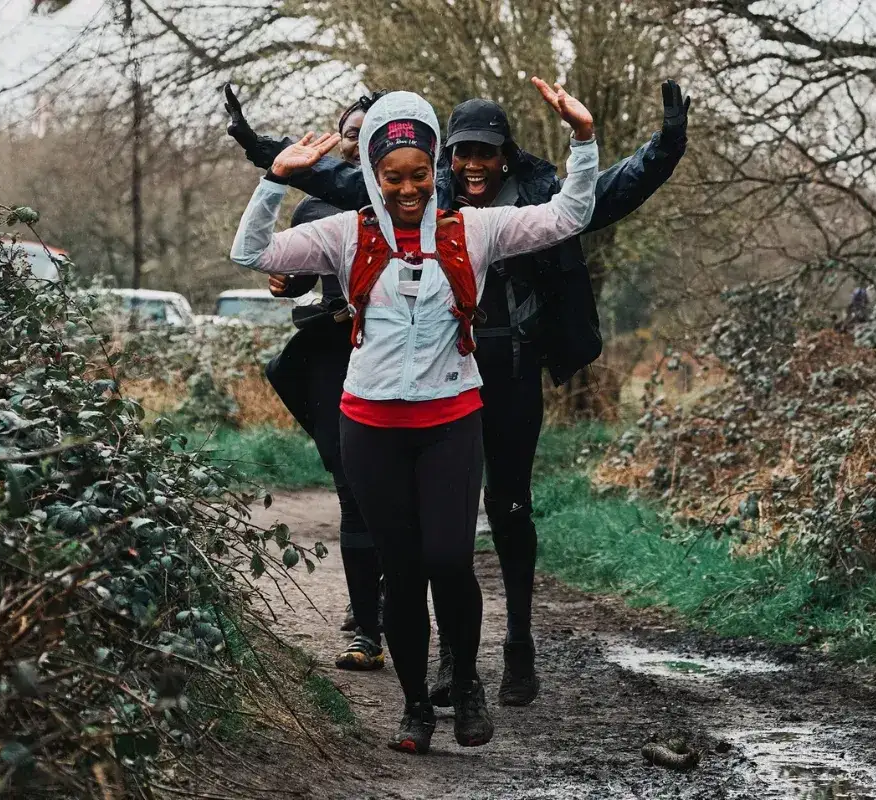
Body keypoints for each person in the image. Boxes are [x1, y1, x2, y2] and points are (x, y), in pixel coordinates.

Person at [224, 80, 690, 708]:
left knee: (502, 513)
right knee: (421, 543)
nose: (472, 164)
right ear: (445, 157)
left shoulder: (512, 209)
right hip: (413, 392)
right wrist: (264, 154)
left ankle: (513, 648)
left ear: (504, 156)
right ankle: (435, 672)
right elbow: (333, 177)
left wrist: (659, 142)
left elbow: (602, 197)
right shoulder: (408, 201)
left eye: (485, 152)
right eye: (462, 152)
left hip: (503, 374)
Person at [235, 90, 390, 671]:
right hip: (333, 356)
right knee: (353, 490)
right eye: (350, 133)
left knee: (399, 494)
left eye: (371, 133)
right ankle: (367, 628)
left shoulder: (423, 206)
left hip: (401, 358)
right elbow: (295, 276)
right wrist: (285, 281)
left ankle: (389, 598)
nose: (358, 143)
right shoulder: (316, 208)